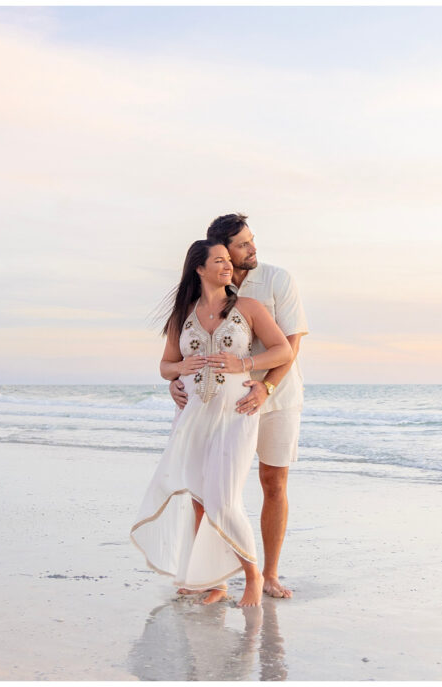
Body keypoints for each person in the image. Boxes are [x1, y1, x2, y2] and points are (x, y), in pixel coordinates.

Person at [131, 239, 292, 608]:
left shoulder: (248, 308)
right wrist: (179, 371)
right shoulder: (181, 316)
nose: (226, 266)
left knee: (224, 498)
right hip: (192, 417)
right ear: (199, 269)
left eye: (227, 261)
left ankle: (253, 576)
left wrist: (247, 365)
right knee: (200, 498)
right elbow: (165, 366)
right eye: (218, 261)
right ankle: (213, 581)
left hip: (236, 413)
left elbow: (282, 349)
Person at [170, 213, 307, 599]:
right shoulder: (206, 288)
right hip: (223, 402)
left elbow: (291, 345)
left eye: (251, 241)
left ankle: (270, 573)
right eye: (243, 244)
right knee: (209, 489)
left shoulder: (277, 280)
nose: (252, 249)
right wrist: (177, 383)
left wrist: (266, 387)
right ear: (221, 251)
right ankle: (213, 577)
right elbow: (188, 346)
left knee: (272, 482)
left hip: (277, 394)